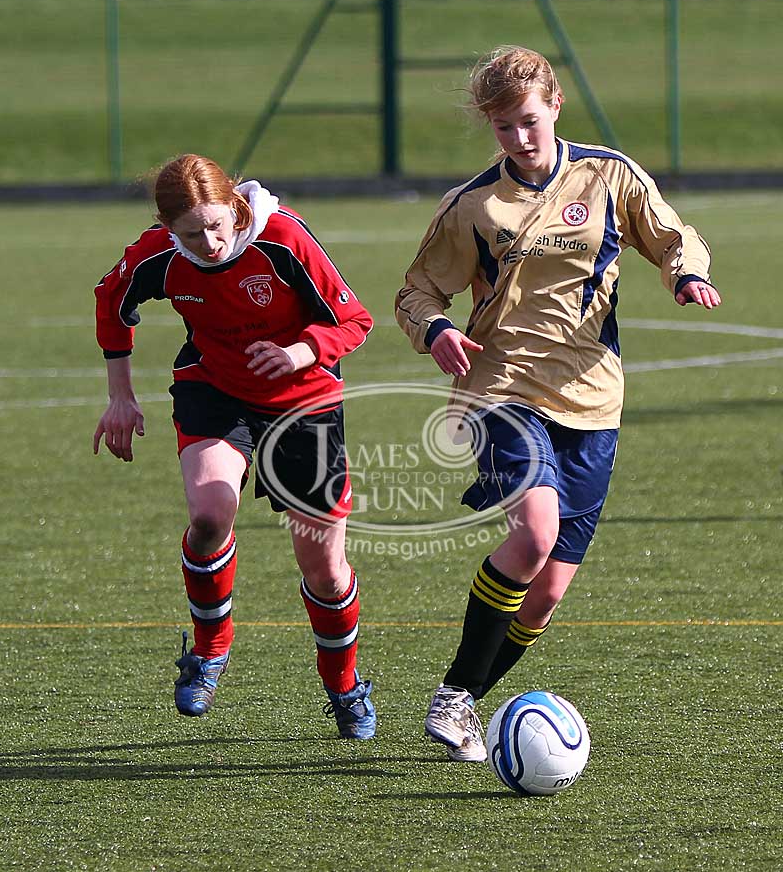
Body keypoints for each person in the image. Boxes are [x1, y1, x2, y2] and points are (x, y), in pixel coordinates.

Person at [395, 45, 720, 761]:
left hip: (593, 400)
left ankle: (464, 705)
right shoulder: (473, 205)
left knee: (543, 594)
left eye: (529, 121)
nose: (519, 137)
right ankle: (454, 693)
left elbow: (673, 236)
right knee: (534, 533)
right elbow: (417, 291)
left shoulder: (610, 175)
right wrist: (438, 328)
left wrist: (685, 273)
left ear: (555, 106)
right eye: (504, 127)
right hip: (501, 391)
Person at [94, 154, 376, 739]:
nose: (211, 243)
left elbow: (354, 321)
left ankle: (345, 686)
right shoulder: (159, 255)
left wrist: (299, 352)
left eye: (219, 226)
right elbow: (111, 301)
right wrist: (120, 395)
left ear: (236, 208)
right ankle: (209, 650)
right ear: (168, 227)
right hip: (214, 387)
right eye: (192, 233)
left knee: (324, 569)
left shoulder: (281, 238)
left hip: (305, 398)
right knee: (207, 517)